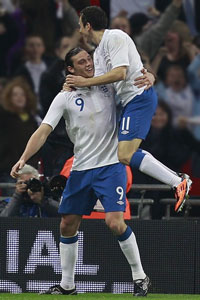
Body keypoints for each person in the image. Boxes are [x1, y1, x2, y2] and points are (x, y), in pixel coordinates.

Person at [11, 48, 151, 297]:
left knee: (115, 223)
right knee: (67, 224)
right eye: (82, 62)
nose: (89, 64)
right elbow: (43, 130)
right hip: (81, 168)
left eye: (89, 59)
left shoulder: (108, 85)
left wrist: (150, 77)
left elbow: (138, 82)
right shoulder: (63, 98)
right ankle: (67, 285)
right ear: (70, 70)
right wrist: (23, 158)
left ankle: (140, 278)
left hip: (110, 165)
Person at [65, 5, 192, 213]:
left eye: (80, 26)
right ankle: (177, 181)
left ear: (88, 26)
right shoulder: (97, 54)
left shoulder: (115, 37)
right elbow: (105, 82)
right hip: (130, 102)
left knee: (125, 154)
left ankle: (177, 181)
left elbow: (121, 73)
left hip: (139, 98)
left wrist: (85, 82)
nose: (79, 31)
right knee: (123, 153)